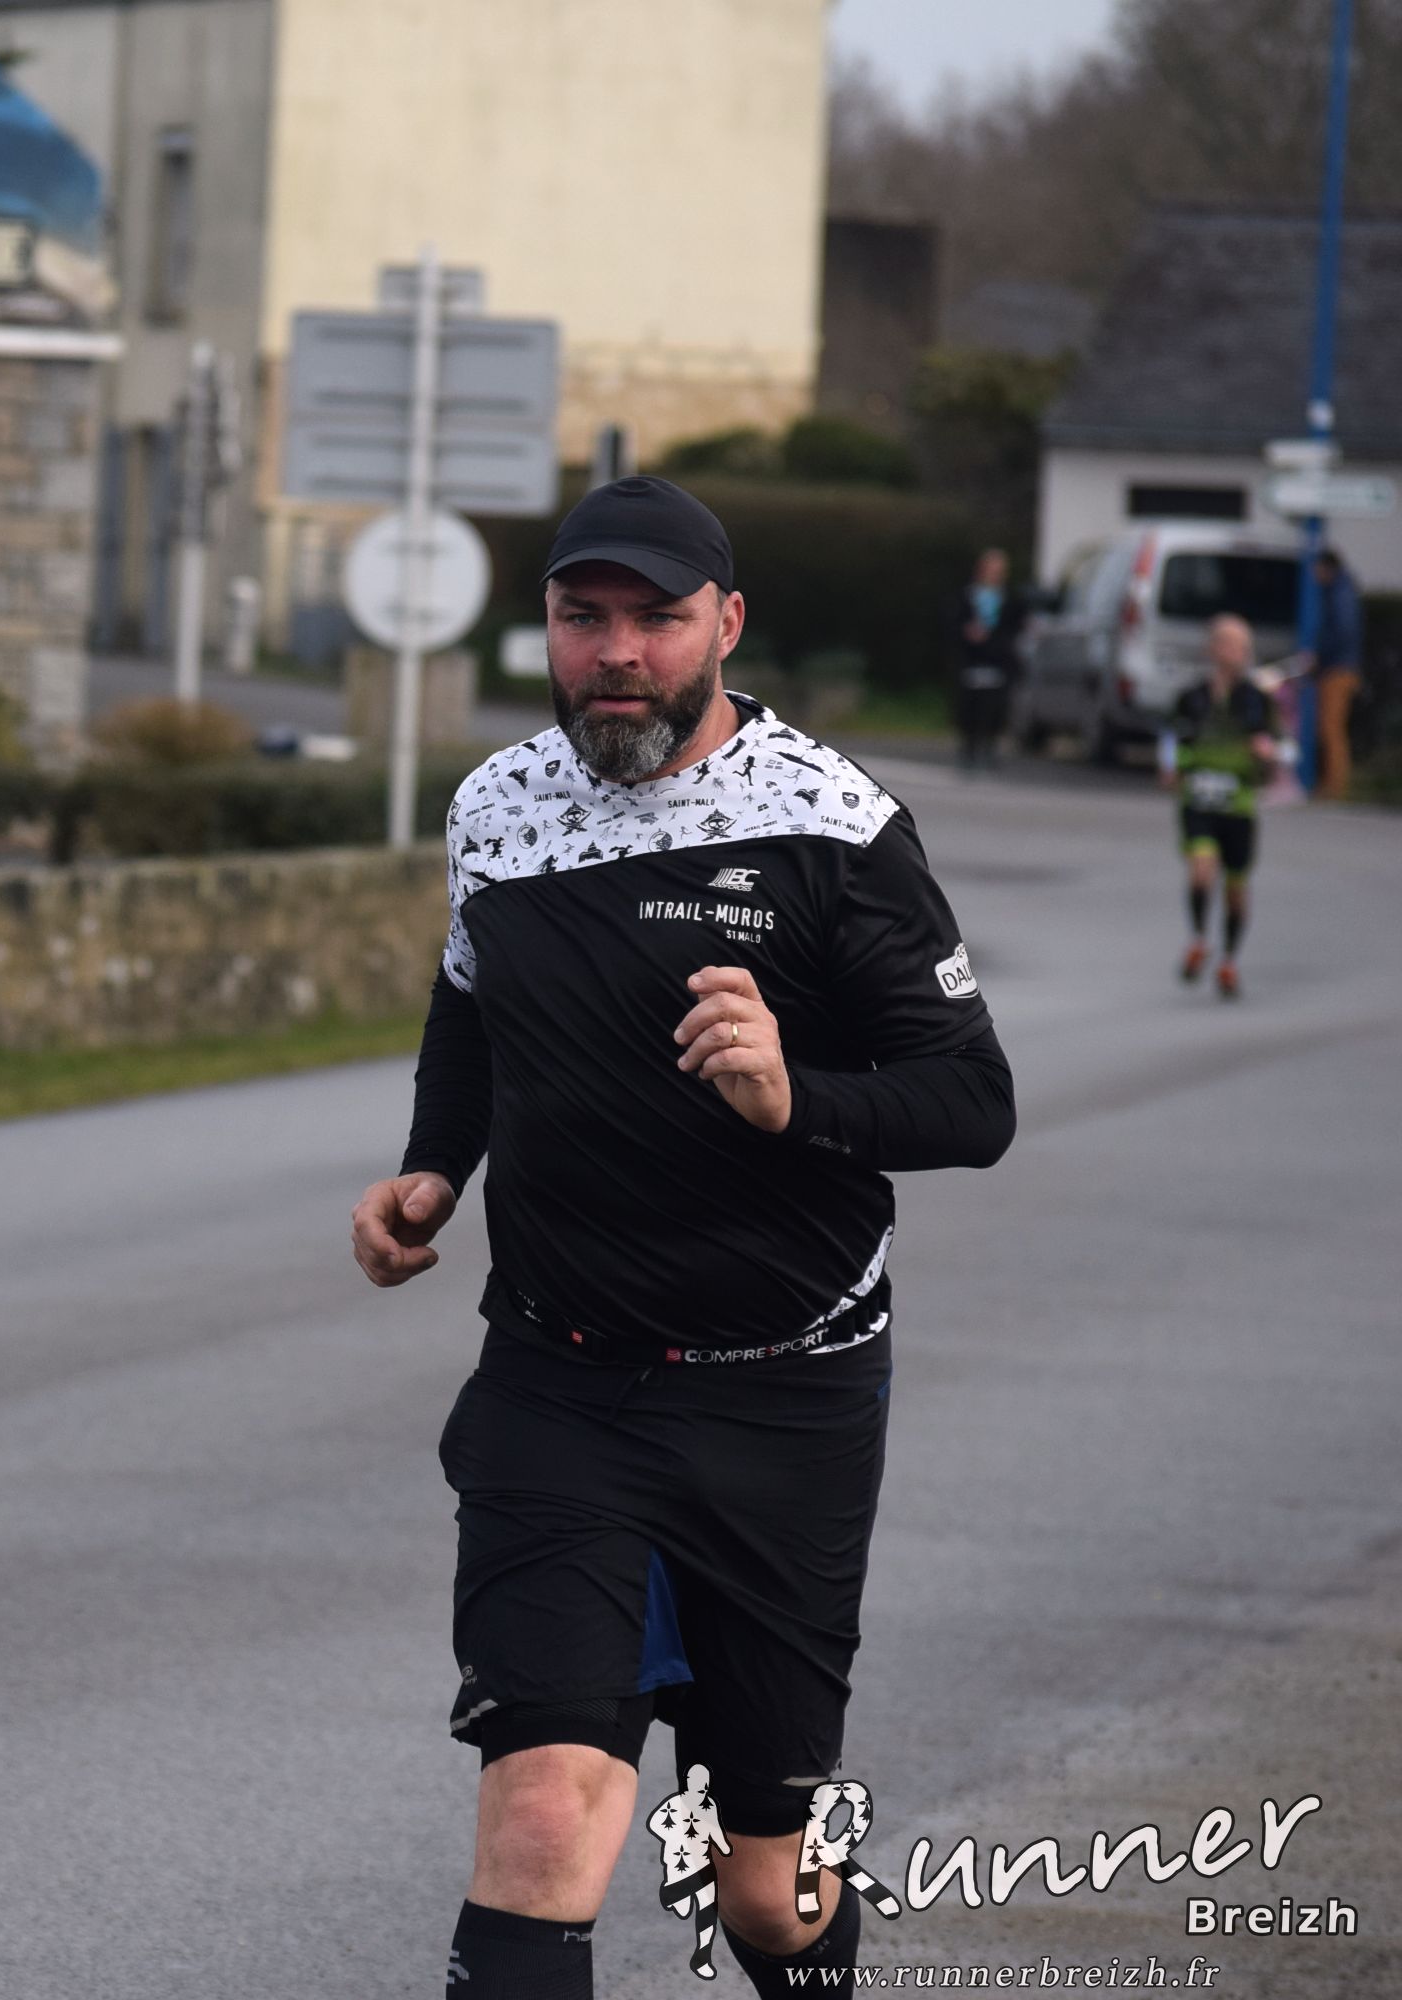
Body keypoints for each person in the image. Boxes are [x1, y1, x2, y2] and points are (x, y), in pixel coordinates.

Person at [347, 475, 1016, 2000]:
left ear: (727, 625)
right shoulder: (497, 808)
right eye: (584, 618)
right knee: (543, 1821)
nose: (618, 653)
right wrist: (435, 1167)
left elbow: (973, 1102)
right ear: (546, 628)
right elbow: (470, 1003)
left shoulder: (832, 826)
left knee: (763, 1889)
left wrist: (793, 1098)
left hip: (786, 1395)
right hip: (559, 1384)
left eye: (656, 618)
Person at [1161, 613, 1280, 1001]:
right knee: (1201, 870)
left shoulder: (1257, 701)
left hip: (1238, 807)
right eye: (1225, 643)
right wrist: (1171, 766)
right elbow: (1171, 738)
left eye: (1240, 645)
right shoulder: (1191, 697)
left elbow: (1278, 749)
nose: (1232, 651)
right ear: (1211, 648)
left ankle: (1229, 959)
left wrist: (1267, 756)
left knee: (1235, 889)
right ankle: (1198, 939)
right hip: (1199, 801)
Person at [950, 547, 1025, 772]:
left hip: (998, 661)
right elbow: (951, 623)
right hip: (971, 660)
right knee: (969, 706)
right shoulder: (965, 596)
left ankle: (989, 749)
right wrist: (967, 632)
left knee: (995, 707)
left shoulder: (1010, 598)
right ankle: (969, 750)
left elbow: (1016, 627)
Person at [1307, 548, 1363, 801]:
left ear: (1327, 567)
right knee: (1330, 727)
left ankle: (1335, 785)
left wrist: (1320, 656)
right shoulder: (1339, 590)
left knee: (1331, 727)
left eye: (1317, 568)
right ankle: (1332, 782)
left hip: (1338, 668)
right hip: (1339, 665)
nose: (1314, 574)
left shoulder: (1340, 593)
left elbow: (1342, 630)